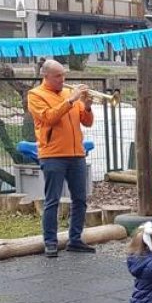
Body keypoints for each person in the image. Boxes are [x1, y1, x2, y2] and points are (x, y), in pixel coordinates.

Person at [27, 59, 95, 258]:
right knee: (52, 200)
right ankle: (50, 242)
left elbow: (87, 122)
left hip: (76, 154)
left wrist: (88, 107)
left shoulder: (68, 94)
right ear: (45, 76)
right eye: (58, 76)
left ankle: (75, 239)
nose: (62, 79)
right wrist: (71, 101)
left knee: (80, 199)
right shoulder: (35, 95)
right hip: (53, 154)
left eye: (63, 75)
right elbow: (48, 117)